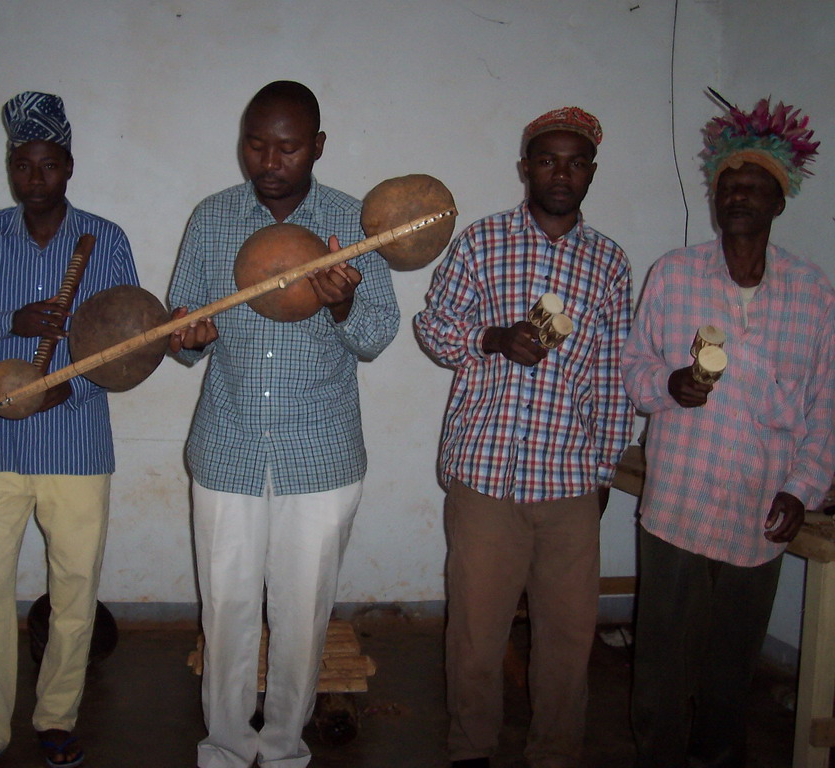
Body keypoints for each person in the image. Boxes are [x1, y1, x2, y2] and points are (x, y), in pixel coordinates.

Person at [168, 80, 399, 768]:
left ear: (317, 147)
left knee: (301, 618)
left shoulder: (355, 222)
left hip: (320, 453)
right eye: (256, 142)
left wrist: (338, 309)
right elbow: (182, 326)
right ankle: (227, 747)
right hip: (227, 445)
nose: (269, 159)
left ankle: (286, 749)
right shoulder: (211, 218)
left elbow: (379, 332)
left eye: (288, 145)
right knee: (227, 610)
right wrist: (193, 334)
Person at [414, 107, 634, 768]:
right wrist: (492, 338)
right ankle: (471, 749)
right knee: (477, 635)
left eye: (574, 162)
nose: (560, 173)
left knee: (569, 639)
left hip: (569, 482)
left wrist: (602, 474)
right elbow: (434, 328)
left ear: (591, 172)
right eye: (547, 160)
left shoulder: (609, 262)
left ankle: (556, 753)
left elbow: (613, 376)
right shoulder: (482, 242)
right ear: (525, 169)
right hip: (486, 477)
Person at [0, 91, 140, 768]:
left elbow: (127, 340)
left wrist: (64, 388)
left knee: (74, 593)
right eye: (23, 164)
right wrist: (6, 325)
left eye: (47, 164)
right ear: (11, 168)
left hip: (77, 444)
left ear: (68, 167)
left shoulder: (104, 240)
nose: (34, 177)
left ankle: (56, 719)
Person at [623, 96, 833, 768]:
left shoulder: (813, 293)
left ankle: (717, 755)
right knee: (660, 665)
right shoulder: (674, 275)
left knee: (731, 670)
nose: (739, 195)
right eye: (729, 186)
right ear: (715, 200)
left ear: (778, 200)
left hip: (757, 511)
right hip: (678, 506)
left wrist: (803, 488)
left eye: (755, 186)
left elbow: (825, 405)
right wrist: (666, 387)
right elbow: (634, 369)